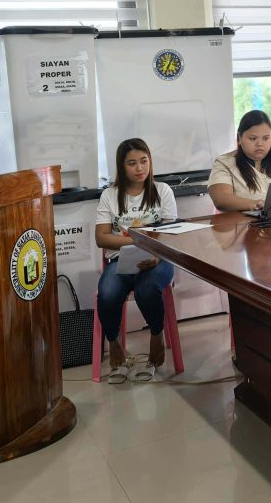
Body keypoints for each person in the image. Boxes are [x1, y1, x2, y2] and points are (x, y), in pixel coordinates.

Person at [95, 138, 177, 384]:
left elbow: (173, 234)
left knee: (147, 289)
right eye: (132, 163)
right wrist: (138, 243)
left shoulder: (162, 190)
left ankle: (156, 335)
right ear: (122, 167)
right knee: (107, 293)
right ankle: (114, 343)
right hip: (121, 261)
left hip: (158, 259)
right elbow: (101, 238)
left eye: (144, 161)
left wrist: (154, 253)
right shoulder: (110, 195)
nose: (140, 168)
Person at [208, 110, 271, 212]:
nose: (260, 144)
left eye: (266, 138)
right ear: (239, 138)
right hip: (243, 226)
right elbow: (221, 199)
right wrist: (256, 204)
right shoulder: (225, 163)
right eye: (253, 139)